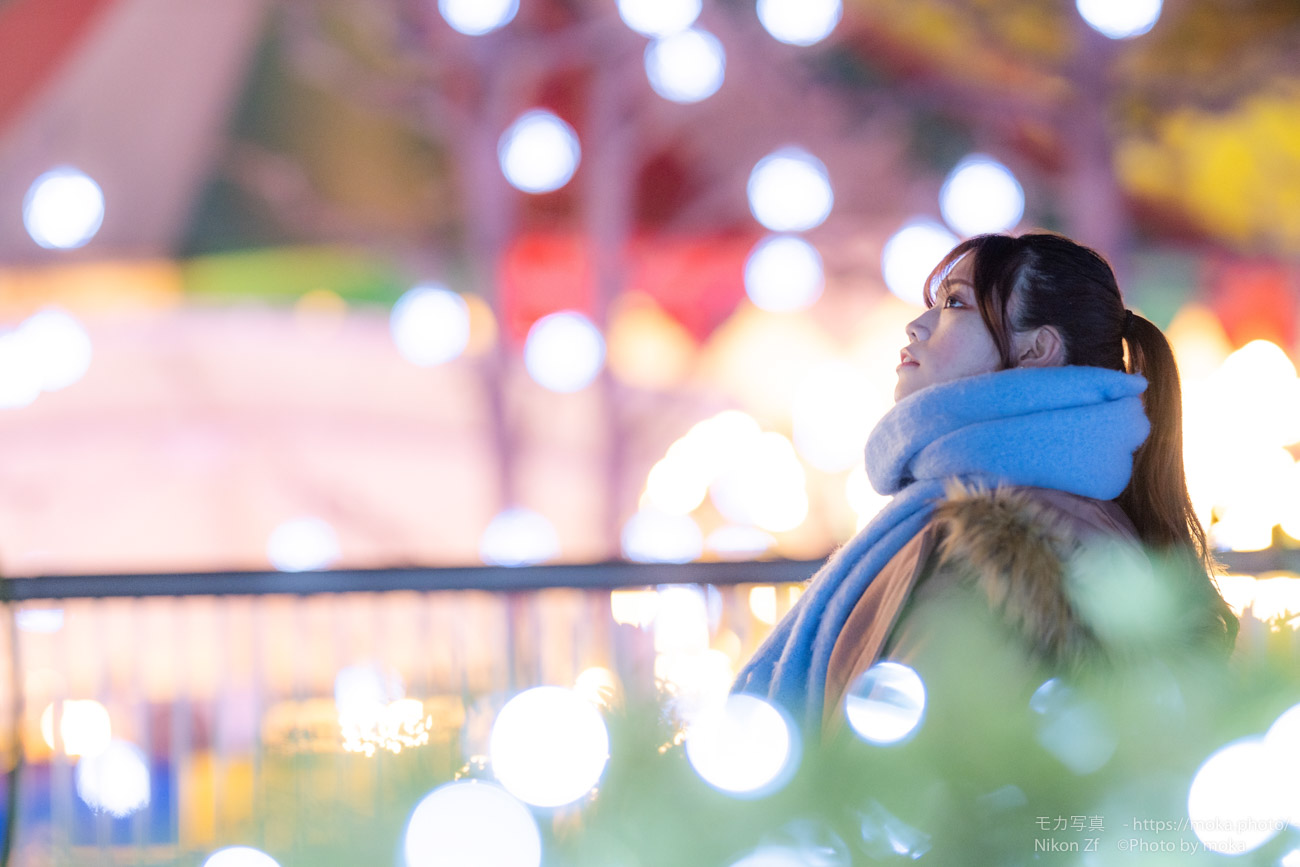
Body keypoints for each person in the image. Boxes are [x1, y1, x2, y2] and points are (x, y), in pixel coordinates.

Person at [733, 231, 1238, 739]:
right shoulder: (1018, 513)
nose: (916, 324)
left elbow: (921, 769)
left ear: (1037, 348)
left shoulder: (1003, 540)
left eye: (955, 302)